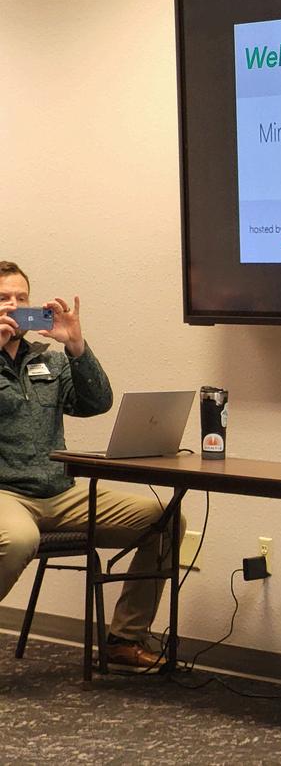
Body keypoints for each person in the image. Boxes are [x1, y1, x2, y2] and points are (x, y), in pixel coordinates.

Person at [0, 261, 179, 670]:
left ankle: (124, 640)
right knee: (19, 539)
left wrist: (77, 347)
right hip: (6, 494)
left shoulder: (50, 361)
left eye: (21, 298)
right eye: (3, 298)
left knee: (165, 519)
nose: (14, 305)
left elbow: (96, 403)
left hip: (60, 493)